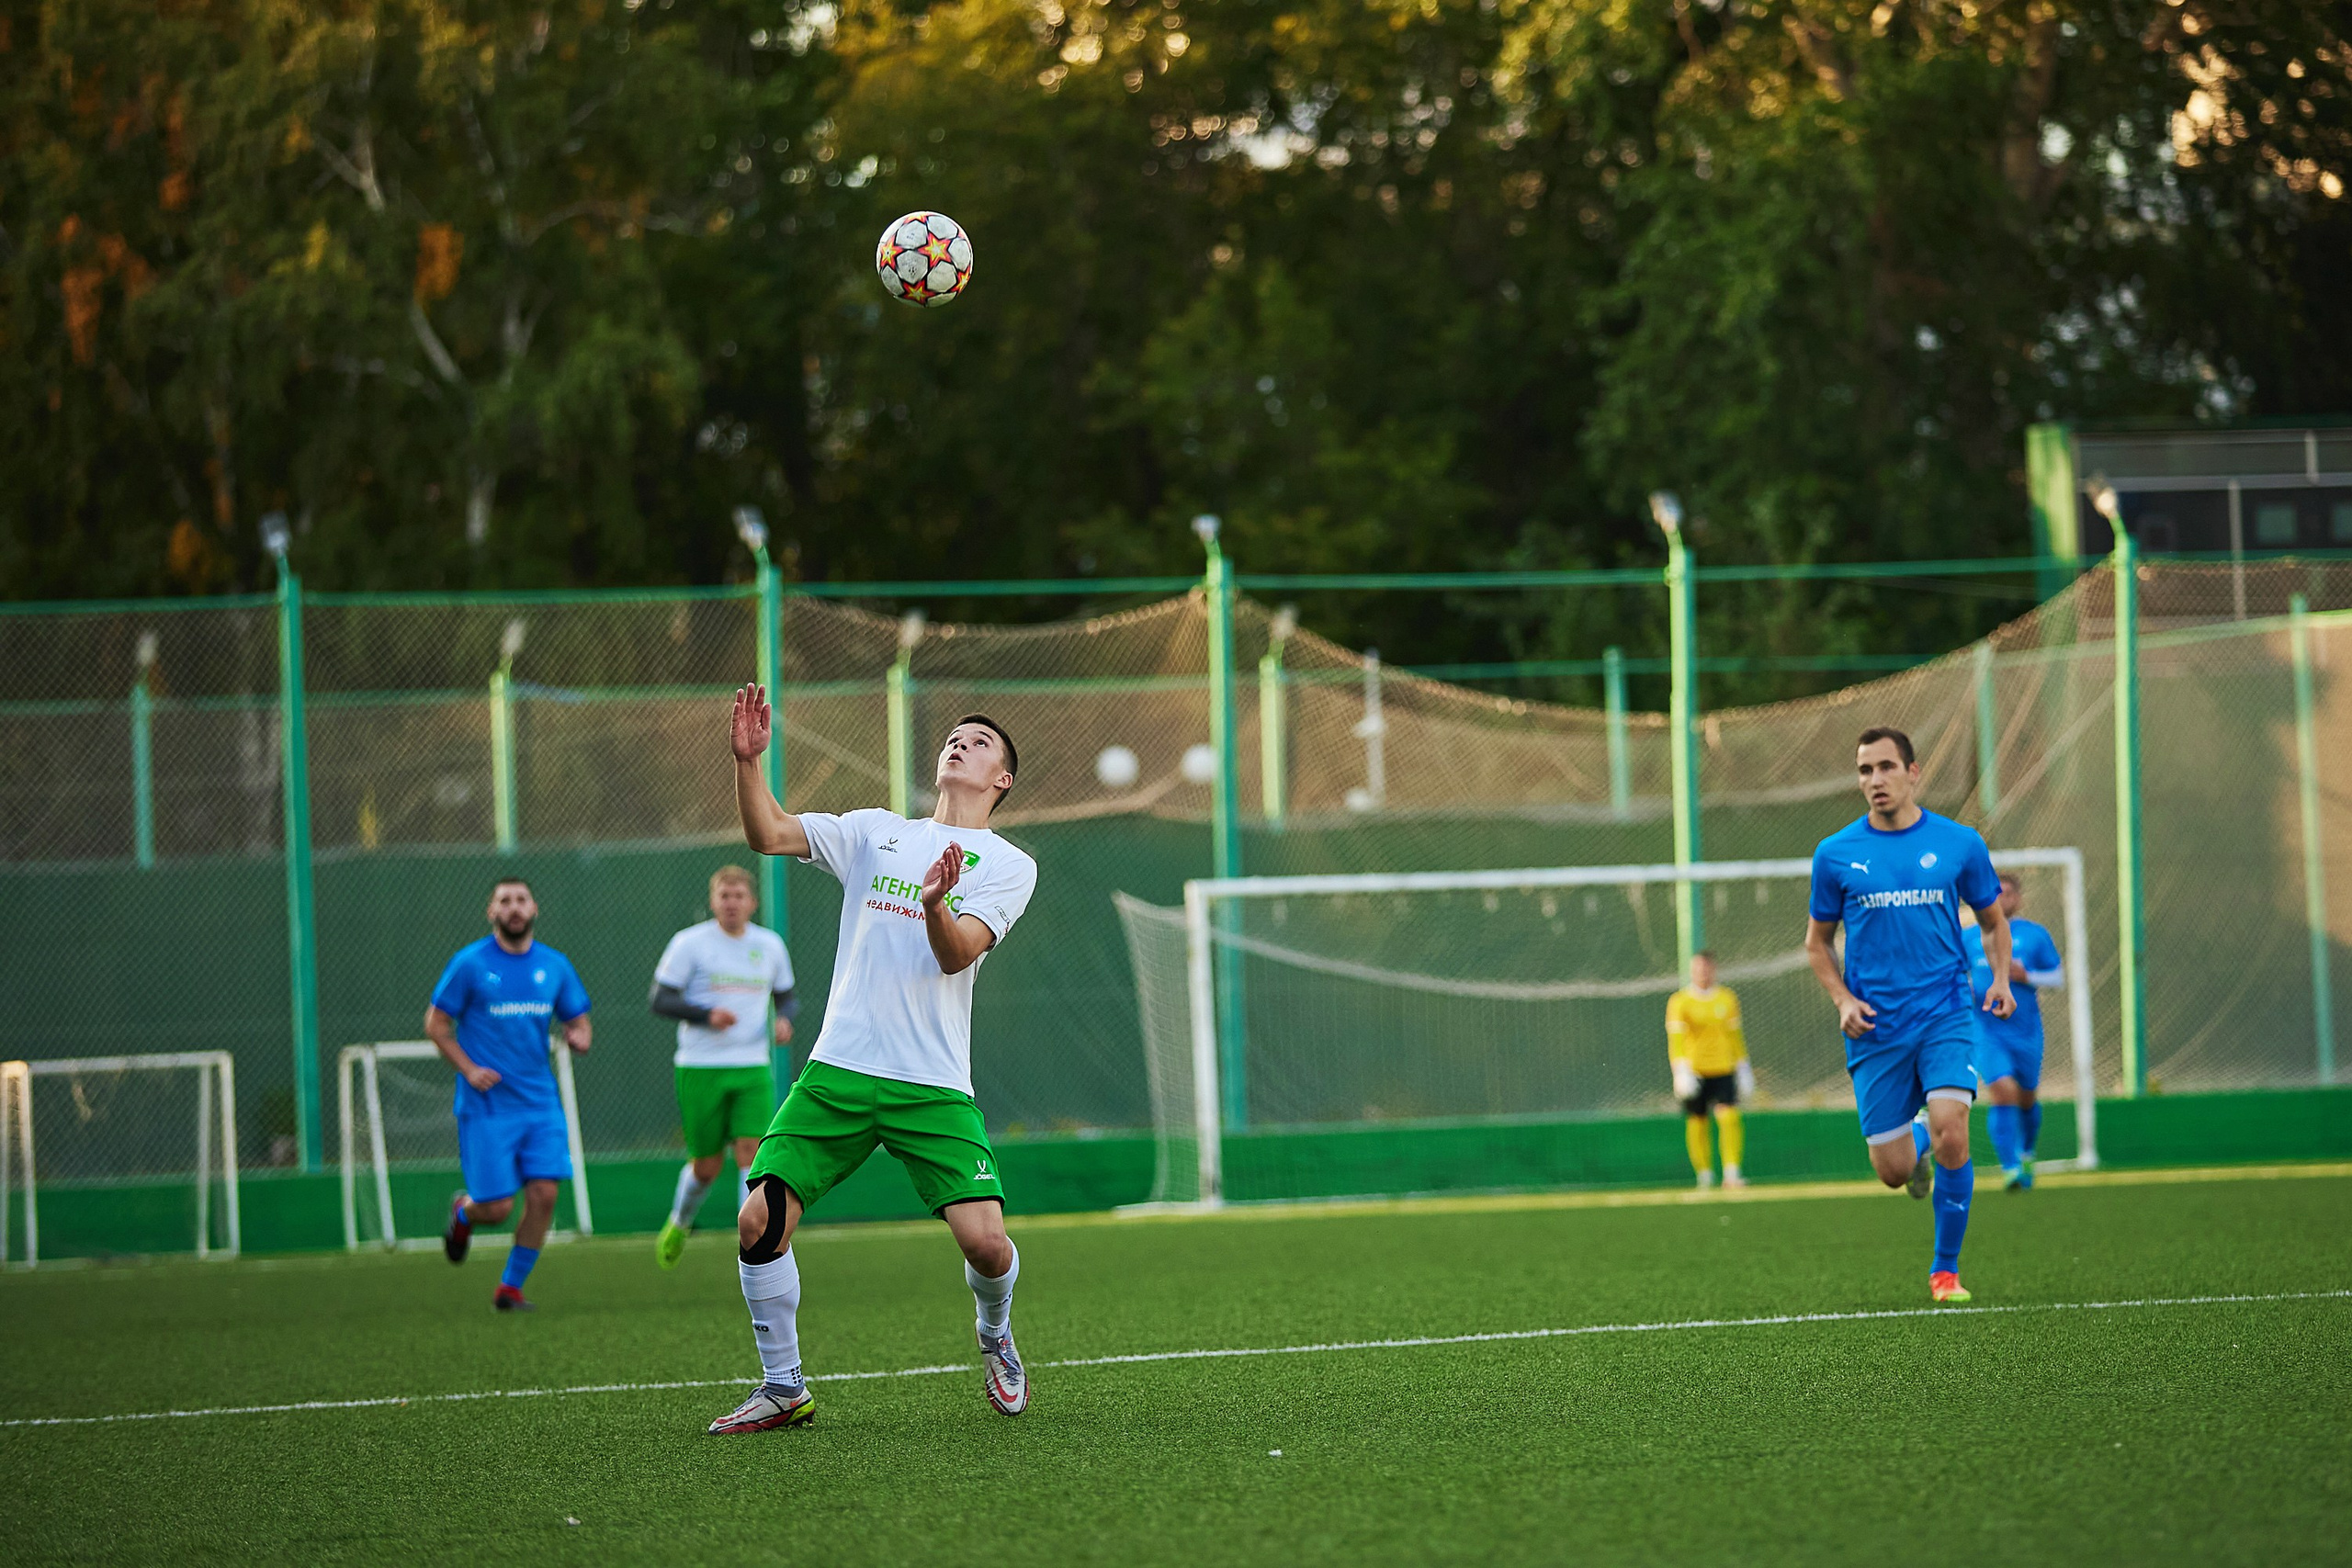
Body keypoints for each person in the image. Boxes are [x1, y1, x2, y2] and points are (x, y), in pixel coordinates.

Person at [707, 689, 1039, 1434]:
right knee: (758, 1219)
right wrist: (747, 762)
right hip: (840, 1069)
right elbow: (767, 832)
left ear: (1003, 778)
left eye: (981, 741)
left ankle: (995, 1334)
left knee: (986, 1244)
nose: (962, 743)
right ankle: (783, 1384)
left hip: (934, 1082)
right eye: (955, 735)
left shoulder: (1010, 863)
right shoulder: (872, 831)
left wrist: (933, 904)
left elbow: (956, 955)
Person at [1804, 727, 2013, 1304]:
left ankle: (1945, 1271)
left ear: (1914, 772)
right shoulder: (1835, 853)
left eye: (1886, 767)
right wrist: (1844, 1000)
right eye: (1865, 770)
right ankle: (1913, 1145)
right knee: (1893, 1170)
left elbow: (1994, 921)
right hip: (1876, 1026)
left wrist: (1998, 979)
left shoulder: (1960, 844)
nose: (1875, 780)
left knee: (1954, 1129)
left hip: (1945, 1012)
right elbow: (1817, 943)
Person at [429, 877, 593, 1312]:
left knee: (545, 1195)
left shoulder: (554, 965)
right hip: (488, 1106)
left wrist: (578, 1035)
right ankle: (465, 1212)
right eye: (505, 901)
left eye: (520, 900)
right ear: (492, 911)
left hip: (540, 1103)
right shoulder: (470, 964)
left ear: (534, 908)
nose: (514, 908)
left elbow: (578, 1018)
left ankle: (510, 1288)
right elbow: (436, 1025)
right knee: (497, 1207)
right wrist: (468, 1069)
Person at [650, 865, 798, 1269]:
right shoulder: (690, 943)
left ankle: (750, 1247)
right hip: (700, 1067)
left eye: (739, 896)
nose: (731, 903)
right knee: (706, 1166)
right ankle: (680, 1222)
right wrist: (704, 1015)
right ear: (713, 901)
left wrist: (784, 1019)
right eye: (724, 896)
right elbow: (660, 1000)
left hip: (751, 1066)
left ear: (752, 902)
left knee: (752, 1155)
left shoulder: (769, 945)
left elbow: (786, 997)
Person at [1965, 873, 2064, 1191]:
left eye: (2007, 893)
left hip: (2025, 1030)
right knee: (2002, 1091)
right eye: (1995, 893)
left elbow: (2058, 977)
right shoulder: (1967, 937)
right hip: (1986, 1030)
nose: (2000, 899)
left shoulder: (2034, 935)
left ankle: (2026, 1152)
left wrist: (2028, 975)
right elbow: (1950, 976)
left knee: (2026, 1098)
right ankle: (2010, 1168)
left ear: (2018, 898)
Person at [1666, 951, 1753, 1190]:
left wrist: (1743, 1066)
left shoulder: (1727, 998)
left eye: (1707, 968)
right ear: (1692, 972)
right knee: (1697, 1123)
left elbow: (1735, 1035)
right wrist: (1680, 1070)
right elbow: (1676, 1039)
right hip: (1694, 1071)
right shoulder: (1680, 1001)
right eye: (1698, 969)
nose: (1703, 973)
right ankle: (1704, 1175)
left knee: (1729, 1118)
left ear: (1713, 970)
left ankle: (1732, 1174)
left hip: (1724, 1068)